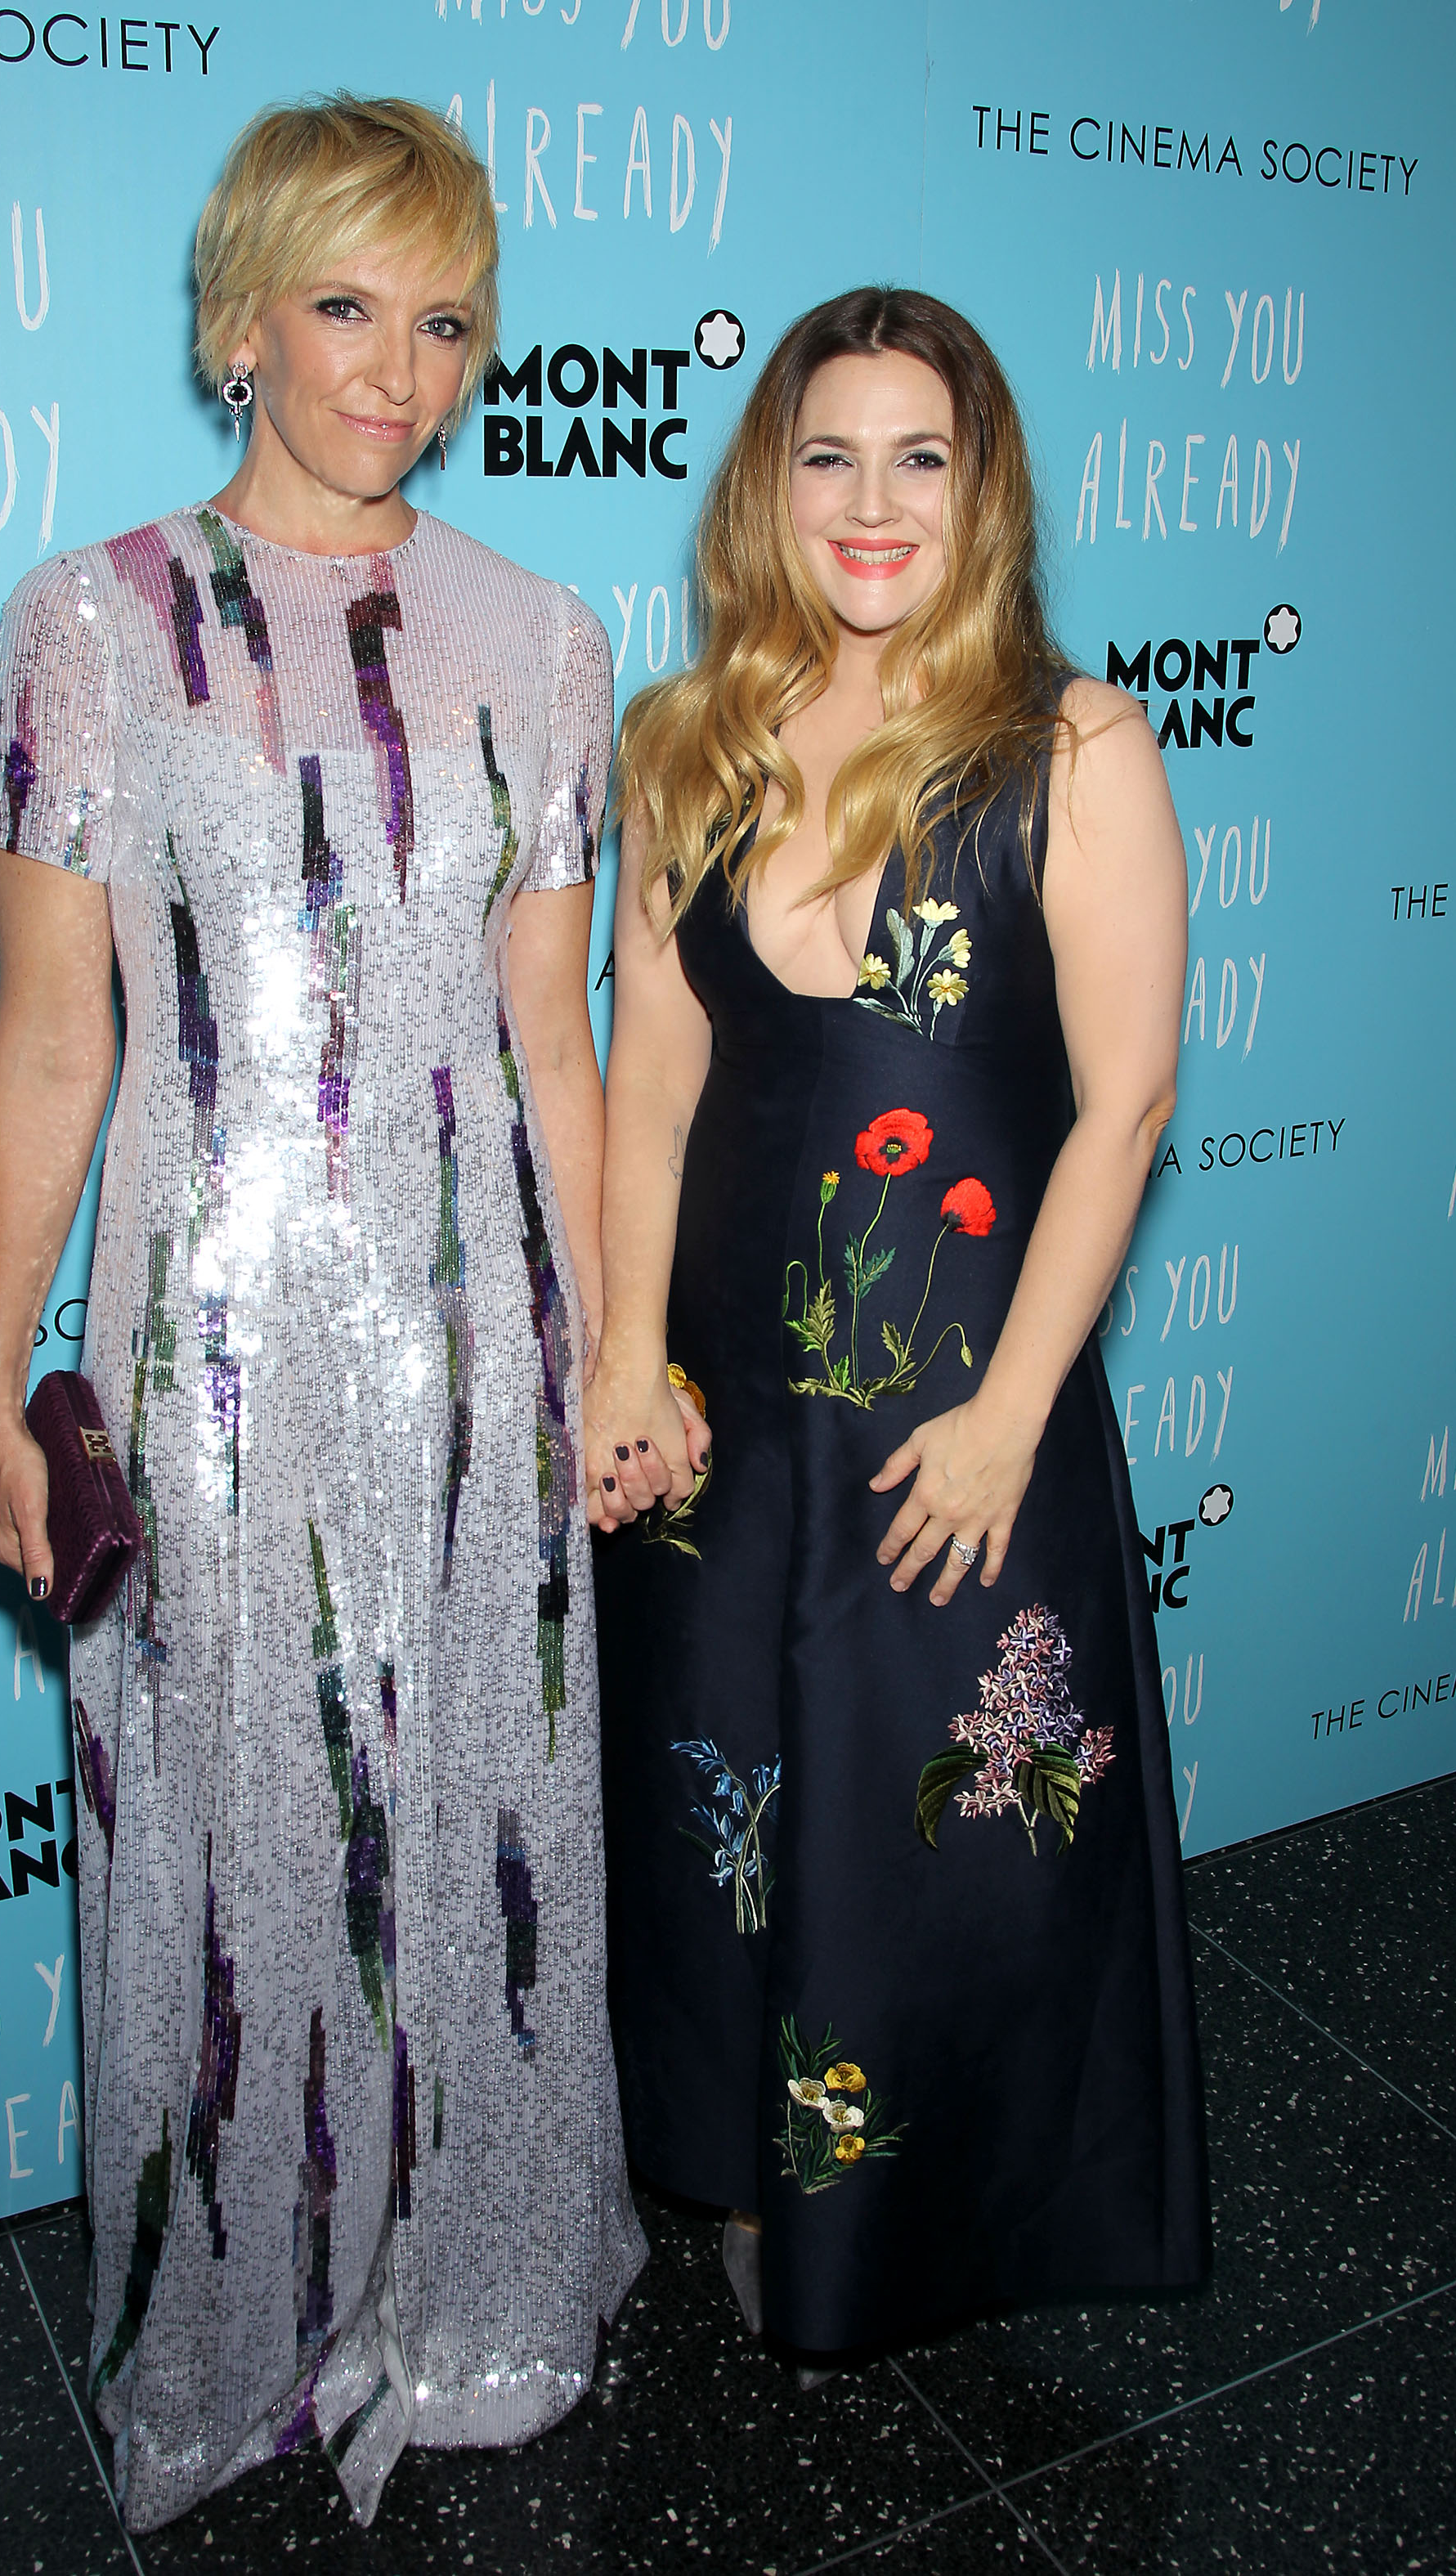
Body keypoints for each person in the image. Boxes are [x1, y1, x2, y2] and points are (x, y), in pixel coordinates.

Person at [0, 96, 644, 2530]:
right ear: (239, 316)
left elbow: (553, 1038)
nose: (396, 367)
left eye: (443, 319)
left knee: (480, 1830)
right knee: (223, 1852)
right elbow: (55, 1040)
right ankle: (239, 2325)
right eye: (346, 304)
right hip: (209, 1350)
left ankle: (475, 2286)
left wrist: (614, 1349)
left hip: (475, 1351)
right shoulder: (85, 626)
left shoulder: (545, 640)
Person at [587, 287, 1207, 2376]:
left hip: (961, 1415)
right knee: (735, 1810)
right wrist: (624, 1358)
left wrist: (1014, 1414)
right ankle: (759, 2181)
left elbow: (1124, 1104)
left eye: (920, 458)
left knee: (950, 1834)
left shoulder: (1070, 745)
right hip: (727, 1421)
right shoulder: (685, 743)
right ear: (770, 490)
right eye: (829, 456)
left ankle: (951, 2211)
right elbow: (655, 1085)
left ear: (982, 488)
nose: (874, 503)